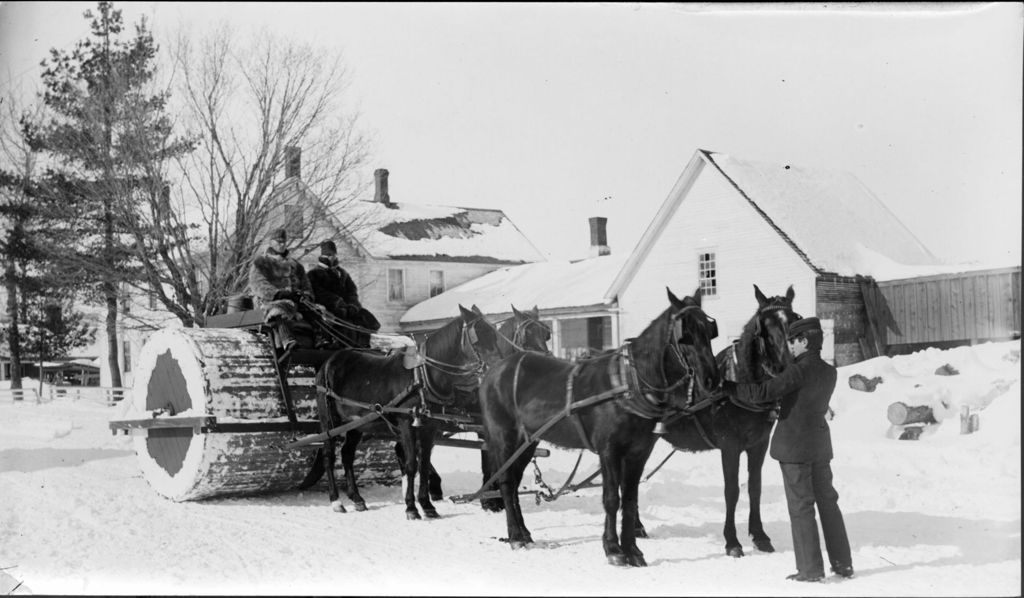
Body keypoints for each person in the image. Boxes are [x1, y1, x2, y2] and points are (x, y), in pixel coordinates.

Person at [726, 316, 854, 582]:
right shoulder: (829, 371)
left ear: (805, 341)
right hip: (819, 445)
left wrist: (729, 387)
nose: (791, 347)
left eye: (794, 341)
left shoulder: (798, 370)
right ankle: (843, 564)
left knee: (801, 507)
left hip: (795, 450)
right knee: (828, 504)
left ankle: (810, 571)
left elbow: (763, 392)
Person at [248, 227, 316, 356]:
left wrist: (304, 296)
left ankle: (321, 341)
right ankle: (287, 340)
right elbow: (258, 284)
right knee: (279, 309)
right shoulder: (262, 262)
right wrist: (278, 293)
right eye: (278, 241)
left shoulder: (295, 265)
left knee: (317, 311)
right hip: (268, 301)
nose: (282, 244)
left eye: (284, 241)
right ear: (271, 242)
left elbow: (306, 285)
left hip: (295, 302)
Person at [306, 239, 380, 348]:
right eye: (328, 255)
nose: (331, 257)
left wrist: (353, 305)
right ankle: (338, 345)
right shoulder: (314, 274)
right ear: (322, 256)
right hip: (329, 308)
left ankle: (365, 346)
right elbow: (318, 293)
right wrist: (337, 302)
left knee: (366, 318)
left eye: (333, 255)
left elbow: (352, 292)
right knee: (343, 325)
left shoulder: (342, 274)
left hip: (347, 308)